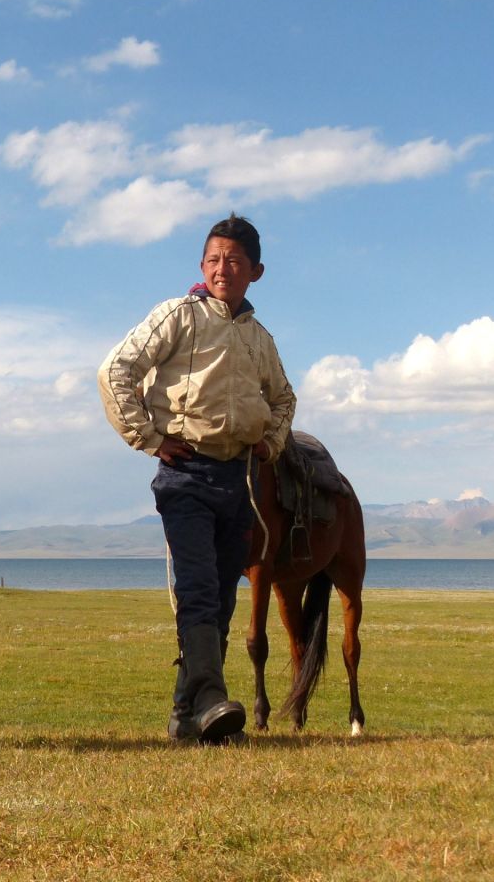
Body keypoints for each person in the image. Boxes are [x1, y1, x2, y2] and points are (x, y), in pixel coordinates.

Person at [98, 213, 296, 744]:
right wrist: (148, 437)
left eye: (234, 261)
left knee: (223, 598)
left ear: (256, 271)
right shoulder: (177, 316)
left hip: (240, 480)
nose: (222, 269)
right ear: (202, 266)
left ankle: (189, 716)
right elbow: (115, 370)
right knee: (200, 590)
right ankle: (211, 699)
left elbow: (284, 399)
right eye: (213, 259)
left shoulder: (260, 339)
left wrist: (271, 442)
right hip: (185, 473)